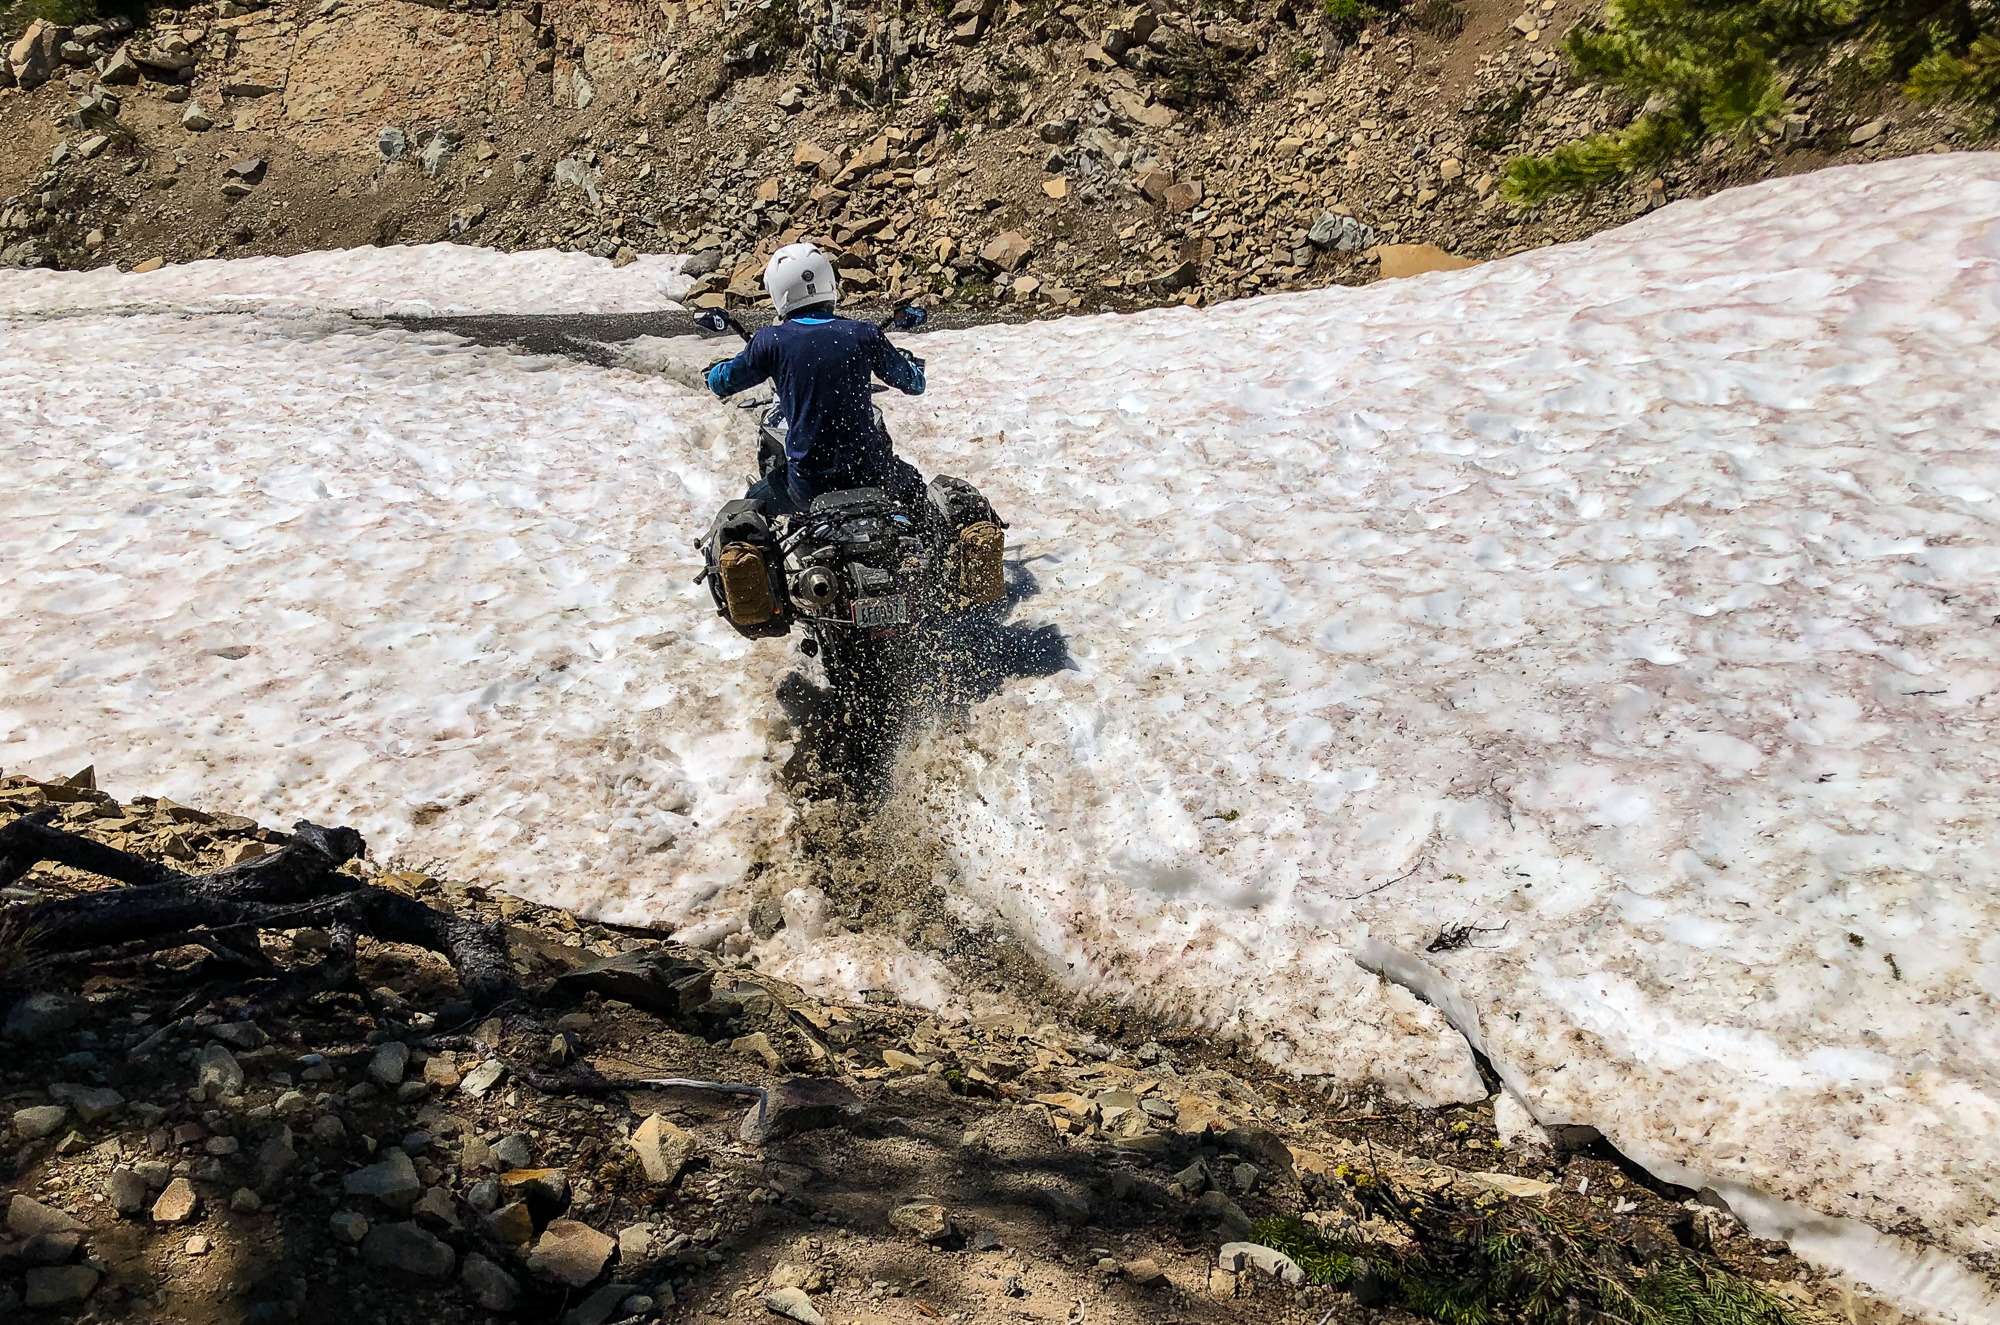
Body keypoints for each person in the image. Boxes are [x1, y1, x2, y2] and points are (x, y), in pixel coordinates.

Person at [705, 242, 927, 515]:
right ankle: (941, 549)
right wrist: (912, 368)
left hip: (809, 485)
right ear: (829, 283)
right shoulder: (863, 334)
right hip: (872, 474)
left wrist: (713, 372)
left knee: (750, 505)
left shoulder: (770, 342)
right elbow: (915, 384)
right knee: (916, 487)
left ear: (778, 291)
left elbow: (721, 382)